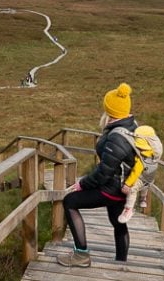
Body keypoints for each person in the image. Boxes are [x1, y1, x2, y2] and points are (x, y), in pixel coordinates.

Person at [57, 82, 138, 268]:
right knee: (117, 221)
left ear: (109, 110)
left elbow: (104, 172)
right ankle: (121, 262)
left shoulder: (116, 137)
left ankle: (81, 255)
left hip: (112, 187)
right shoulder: (132, 125)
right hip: (124, 186)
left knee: (70, 201)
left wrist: (82, 184)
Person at [118, 125, 163, 224]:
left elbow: (135, 172)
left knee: (133, 190)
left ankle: (128, 209)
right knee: (145, 186)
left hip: (142, 177)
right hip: (150, 178)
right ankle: (143, 199)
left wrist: (127, 184)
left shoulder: (142, 157)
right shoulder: (155, 151)